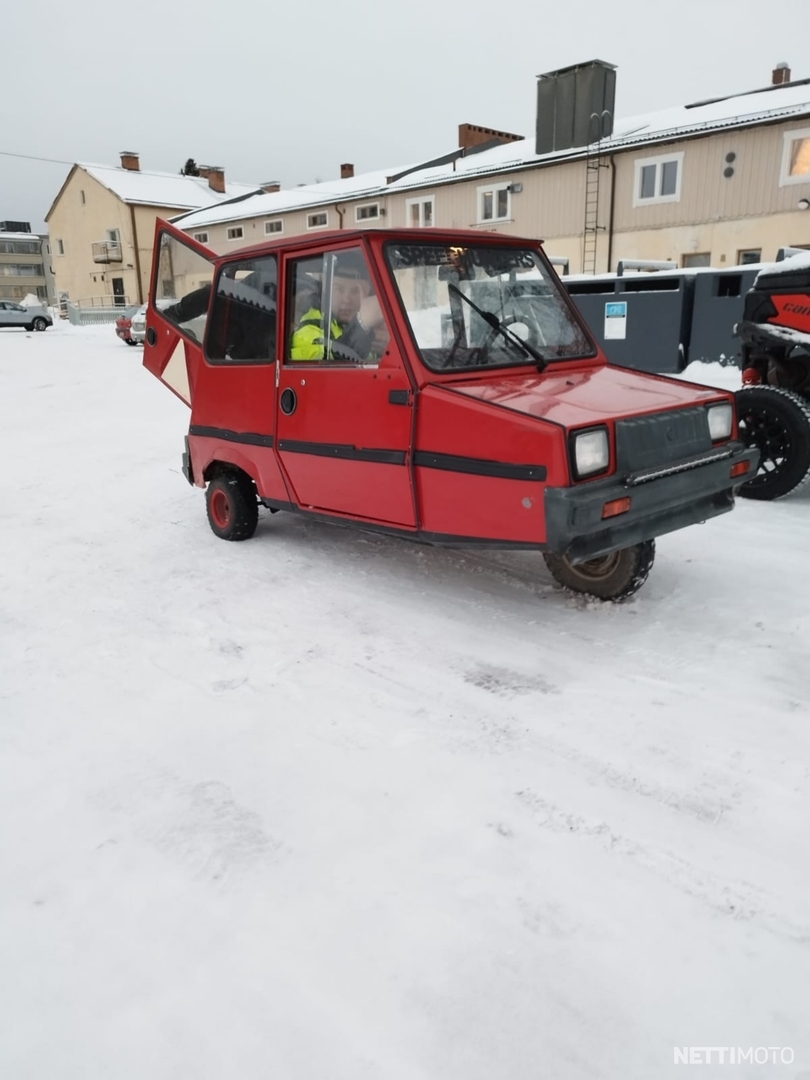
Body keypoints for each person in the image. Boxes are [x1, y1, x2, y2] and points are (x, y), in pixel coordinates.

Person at [290, 250, 387, 362]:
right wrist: (361, 324)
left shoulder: (372, 331)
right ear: (325, 291)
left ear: (368, 293)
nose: (347, 299)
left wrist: (387, 350)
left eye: (355, 291)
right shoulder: (306, 332)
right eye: (338, 289)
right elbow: (330, 370)